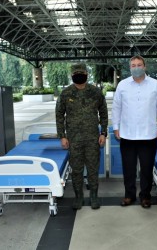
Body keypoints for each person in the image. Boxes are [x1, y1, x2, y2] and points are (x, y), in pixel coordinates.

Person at [112, 55, 157, 208]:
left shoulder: (155, 85)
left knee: (146, 168)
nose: (136, 68)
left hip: (148, 135)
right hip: (127, 134)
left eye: (139, 65)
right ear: (129, 68)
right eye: (133, 65)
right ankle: (129, 196)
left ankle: (145, 196)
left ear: (145, 66)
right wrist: (115, 127)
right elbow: (116, 107)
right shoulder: (123, 85)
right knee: (128, 168)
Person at [55, 63, 108, 210]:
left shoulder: (96, 92)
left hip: (92, 138)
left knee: (93, 168)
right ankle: (78, 197)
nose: (79, 74)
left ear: (87, 74)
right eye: (76, 72)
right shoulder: (66, 93)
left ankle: (94, 196)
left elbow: (103, 113)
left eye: (81, 72)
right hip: (74, 139)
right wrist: (62, 136)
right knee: (76, 169)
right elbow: (59, 115)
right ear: (72, 75)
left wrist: (103, 133)